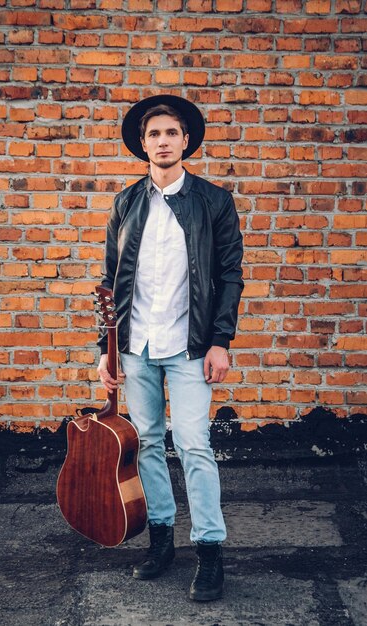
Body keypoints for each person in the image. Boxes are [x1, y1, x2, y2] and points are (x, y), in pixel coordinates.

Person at [97, 94, 244, 602]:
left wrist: (220, 341)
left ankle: (208, 550)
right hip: (136, 345)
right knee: (148, 444)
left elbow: (229, 275)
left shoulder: (213, 201)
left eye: (171, 133)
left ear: (185, 142)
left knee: (195, 445)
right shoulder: (127, 203)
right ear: (143, 144)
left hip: (190, 346)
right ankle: (161, 540)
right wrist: (106, 349)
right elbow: (109, 282)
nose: (162, 141)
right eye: (153, 134)